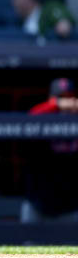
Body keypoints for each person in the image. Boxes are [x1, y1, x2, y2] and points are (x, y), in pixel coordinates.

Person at [22, 78, 78, 223]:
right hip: (38, 201)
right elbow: (32, 116)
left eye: (70, 97)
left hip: (71, 204)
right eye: (61, 98)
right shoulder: (42, 116)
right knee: (29, 244)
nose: (67, 103)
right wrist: (56, 105)